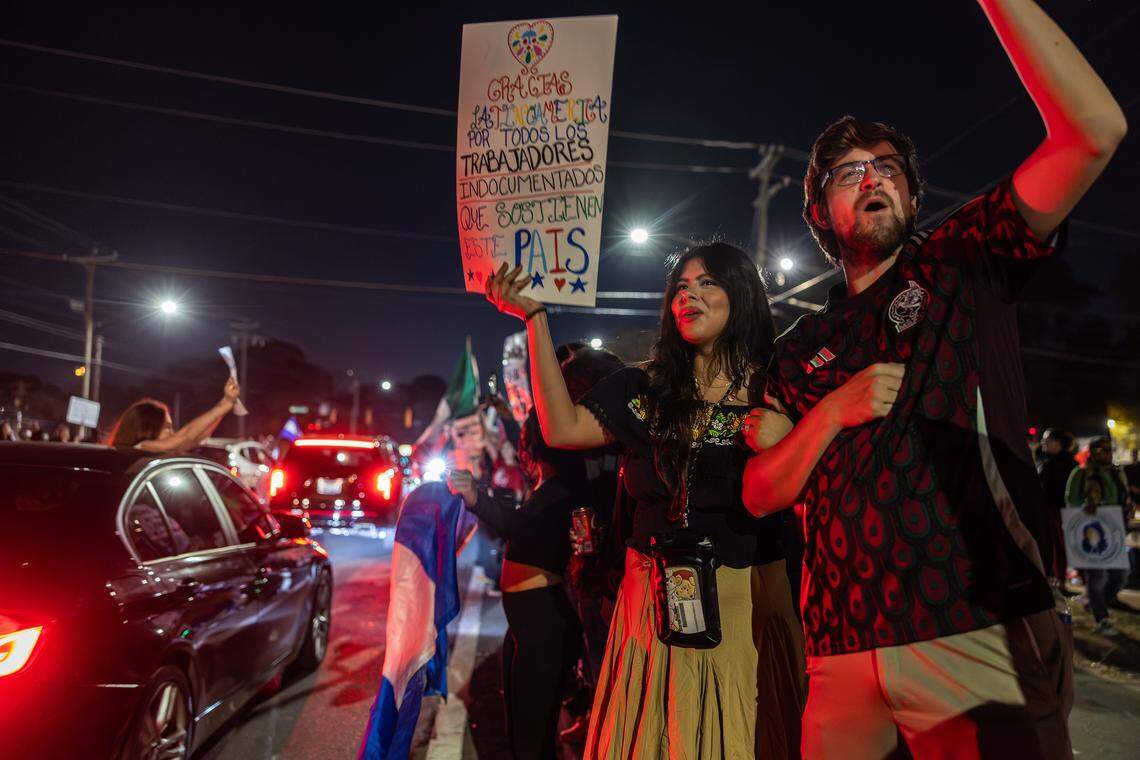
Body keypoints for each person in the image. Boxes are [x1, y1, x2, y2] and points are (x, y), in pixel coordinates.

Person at [741, 2, 1125, 756]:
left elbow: (1095, 132)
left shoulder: (960, 261)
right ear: (820, 211)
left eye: (887, 169)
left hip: (973, 625)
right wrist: (833, 413)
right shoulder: (798, 349)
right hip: (840, 646)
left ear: (913, 197)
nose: (872, 178)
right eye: (849, 174)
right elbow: (762, 490)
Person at [484, 241, 804, 759]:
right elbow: (562, 428)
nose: (688, 296)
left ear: (741, 296)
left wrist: (791, 439)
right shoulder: (643, 387)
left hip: (748, 601)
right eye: (680, 287)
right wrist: (536, 319)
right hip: (651, 603)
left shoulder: (780, 387)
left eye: (707, 284)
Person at [449, 410, 590, 760]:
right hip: (526, 625)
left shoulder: (564, 490)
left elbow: (520, 528)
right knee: (519, 726)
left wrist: (476, 498)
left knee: (533, 735)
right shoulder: (544, 485)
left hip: (545, 626)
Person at [1065, 437, 1131, 635]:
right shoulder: (1081, 473)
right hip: (1092, 530)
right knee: (1097, 577)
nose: (1105, 453)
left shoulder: (1116, 472)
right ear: (1092, 452)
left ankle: (1095, 602)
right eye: (1100, 450)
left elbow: (1123, 496)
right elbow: (1070, 500)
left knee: (1120, 576)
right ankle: (1101, 619)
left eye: (1108, 449)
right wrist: (1086, 509)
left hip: (1113, 530)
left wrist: (1127, 506)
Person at [108, 378, 240, 452]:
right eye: (167, 427)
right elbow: (185, 436)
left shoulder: (155, 453)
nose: (172, 432)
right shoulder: (142, 447)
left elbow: (197, 437)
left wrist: (226, 403)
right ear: (147, 427)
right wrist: (226, 404)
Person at [1039, 429, 1078, 581]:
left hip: (1056, 510)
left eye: (1046, 440)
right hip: (1063, 510)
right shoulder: (1067, 462)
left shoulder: (1056, 464)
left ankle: (1060, 578)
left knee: (1058, 546)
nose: (1044, 443)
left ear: (1057, 443)